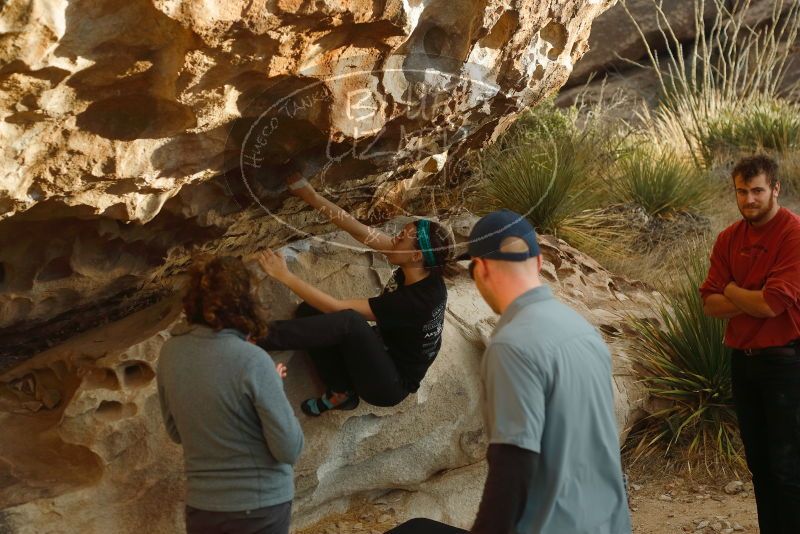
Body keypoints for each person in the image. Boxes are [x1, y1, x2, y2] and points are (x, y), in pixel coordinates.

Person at [389, 209, 631, 534]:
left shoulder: (512, 344)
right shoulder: (584, 331)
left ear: (482, 269)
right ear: (540, 263)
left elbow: (513, 464)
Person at [255, 172, 455, 416]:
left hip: (389, 385)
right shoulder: (423, 271)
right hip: (383, 350)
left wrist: (284, 276)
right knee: (309, 312)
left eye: (401, 238)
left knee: (348, 321)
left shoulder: (415, 302)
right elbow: (361, 232)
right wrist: (312, 196)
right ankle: (341, 392)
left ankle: (254, 335)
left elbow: (337, 309)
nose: (394, 239)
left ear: (416, 256)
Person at [157, 256, 304, 534]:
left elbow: (176, 432)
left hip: (203, 507)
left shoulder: (170, 353)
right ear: (246, 302)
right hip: (259, 506)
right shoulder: (253, 360)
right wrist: (274, 385)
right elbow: (289, 449)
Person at [700, 155, 800, 534]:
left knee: (788, 467)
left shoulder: (792, 234)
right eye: (742, 192)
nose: (749, 200)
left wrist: (729, 289)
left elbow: (772, 304)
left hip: (786, 363)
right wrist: (745, 294)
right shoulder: (729, 238)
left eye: (757, 190)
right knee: (759, 465)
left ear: (775, 189)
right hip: (743, 362)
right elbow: (710, 305)